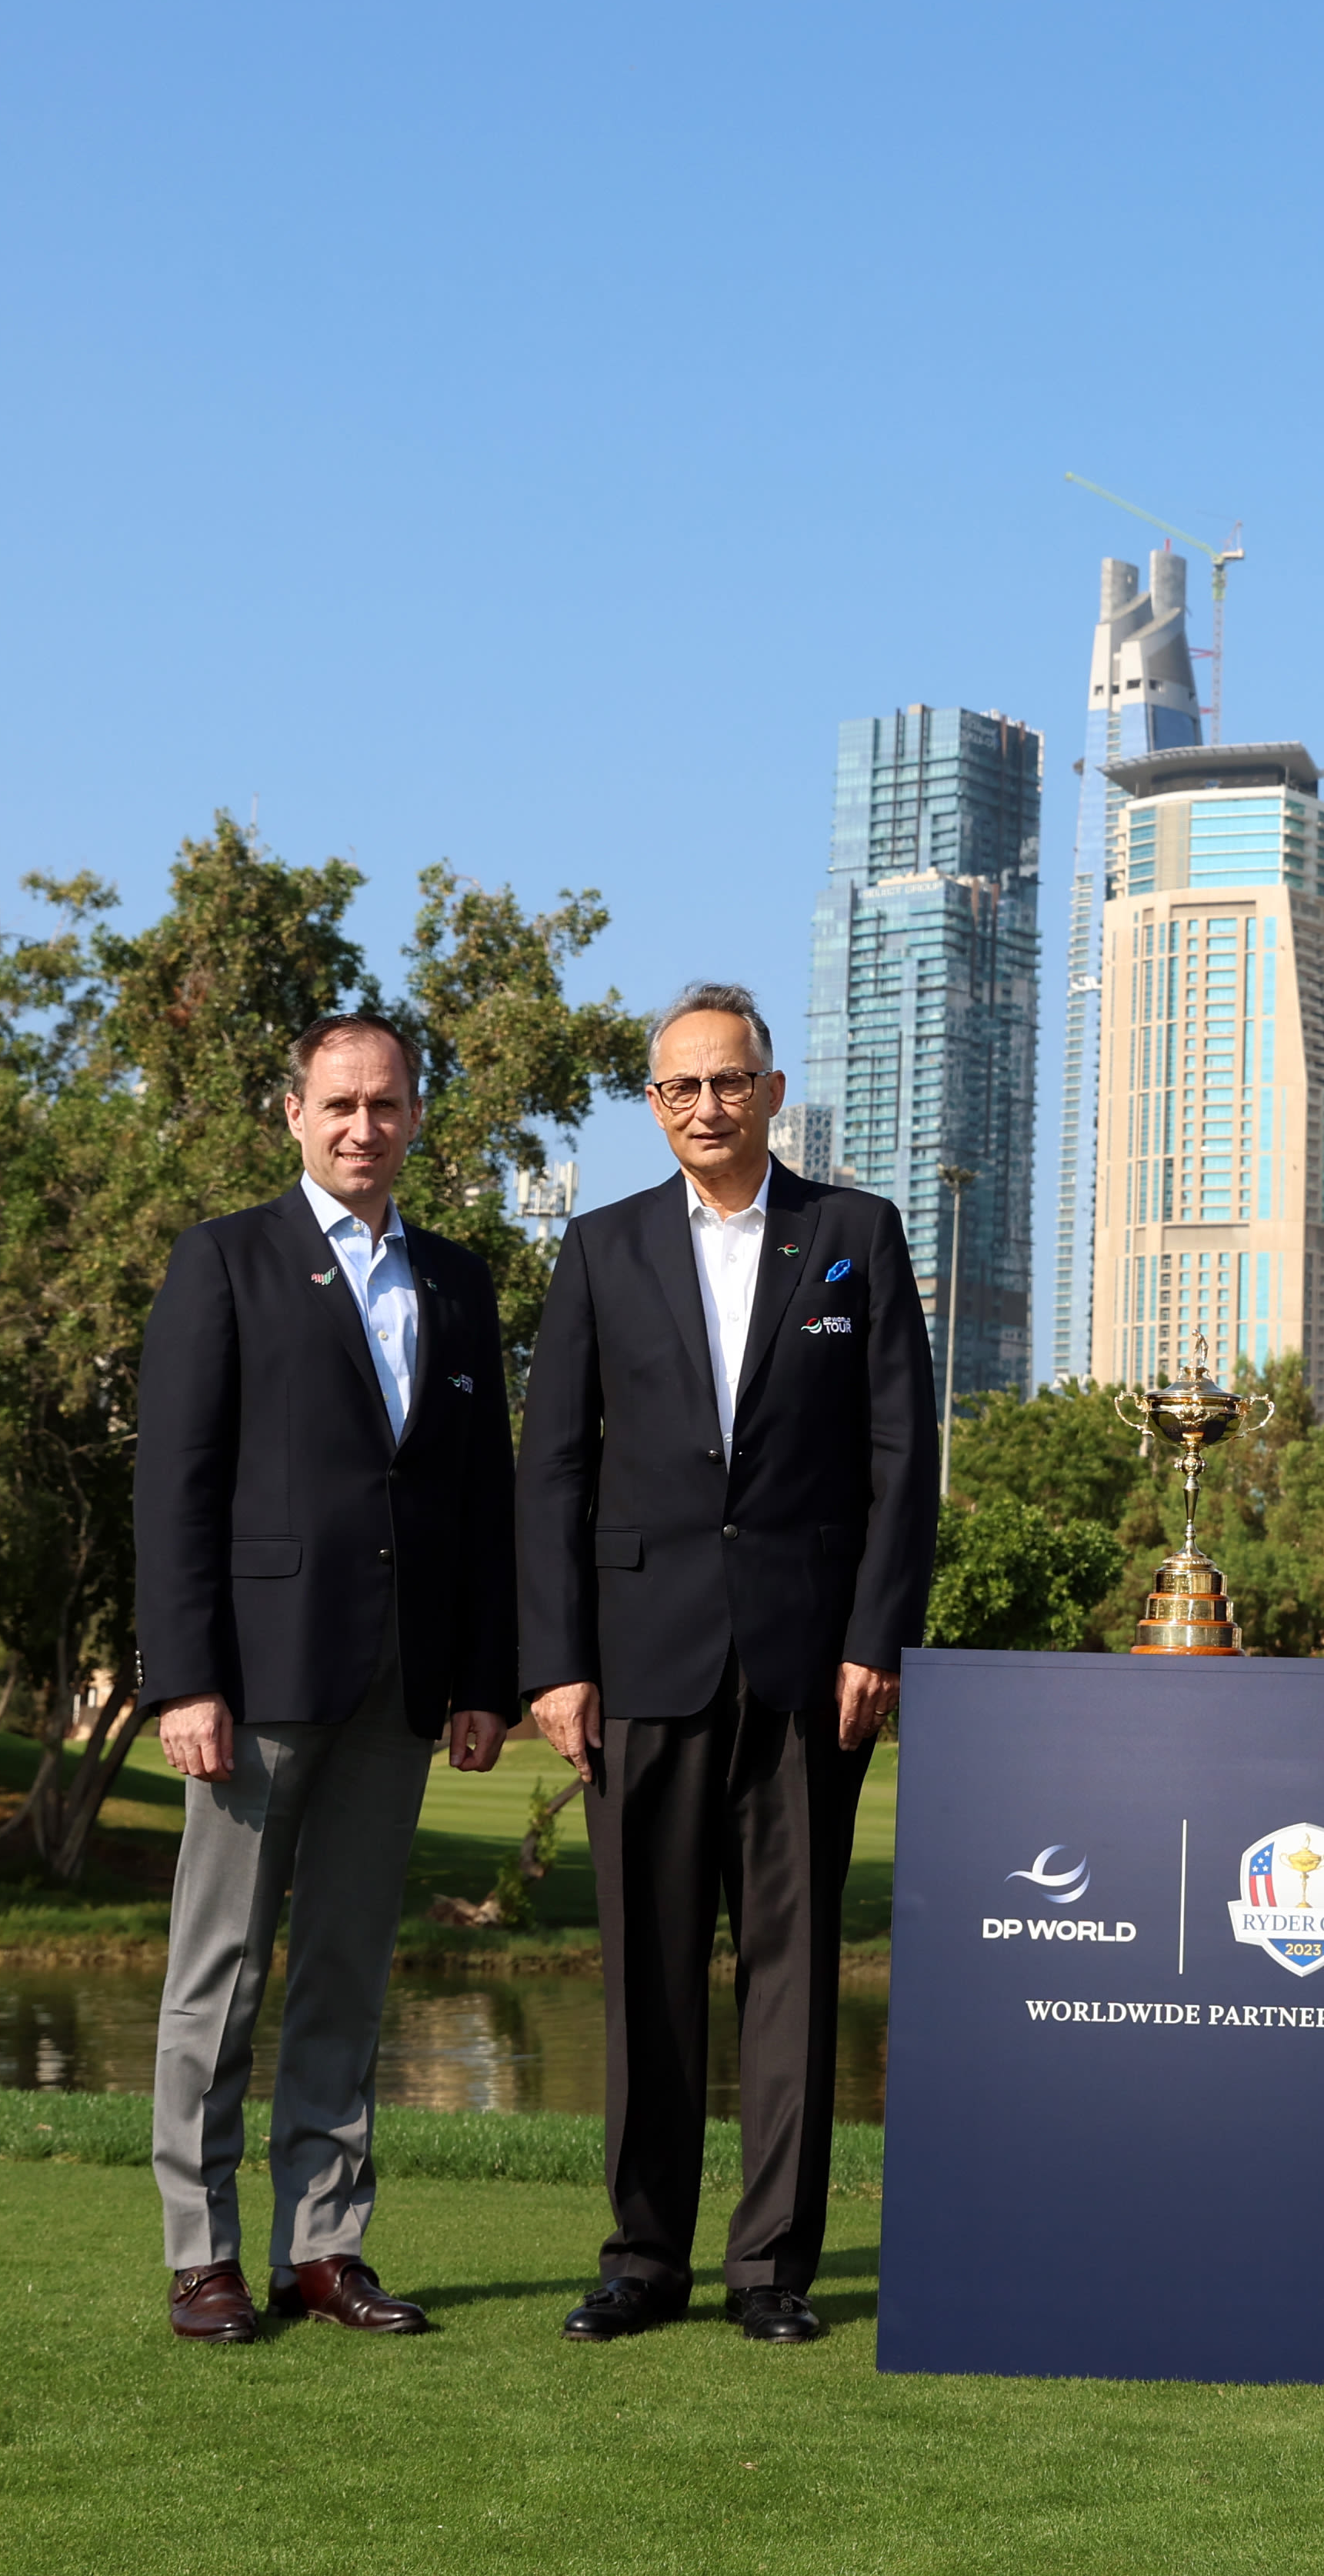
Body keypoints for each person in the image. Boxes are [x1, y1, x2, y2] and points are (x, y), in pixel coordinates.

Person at [519, 983, 935, 2346]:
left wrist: (878, 1636)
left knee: (792, 1970)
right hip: (639, 1661)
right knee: (645, 1971)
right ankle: (643, 2258)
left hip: (810, 1663)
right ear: (655, 1104)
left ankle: (771, 2270)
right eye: (683, 1086)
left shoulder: (853, 1239)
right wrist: (556, 1663)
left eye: (732, 1080)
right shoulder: (599, 1248)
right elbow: (554, 1476)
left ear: (772, 1087)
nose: (709, 1104)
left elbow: (900, 1461)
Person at [135, 1010, 520, 2344]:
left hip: (405, 1683)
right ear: (292, 1114)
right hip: (256, 1680)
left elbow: (478, 1499)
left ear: (419, 1117)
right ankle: (203, 2259)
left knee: (348, 1972)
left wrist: (485, 1672)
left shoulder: (460, 1279)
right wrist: (187, 1679)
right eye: (339, 1104)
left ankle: (324, 2249)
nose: (365, 1126)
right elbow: (176, 1487)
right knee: (220, 1974)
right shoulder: (226, 1260)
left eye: (390, 1104)